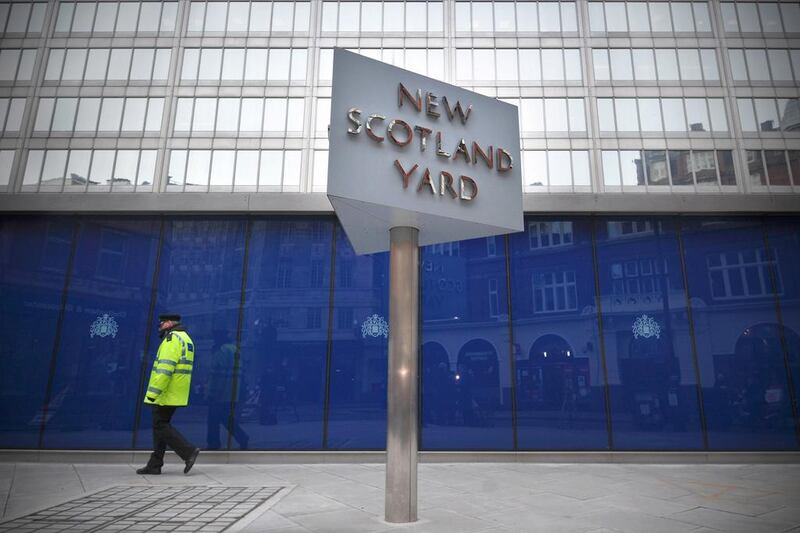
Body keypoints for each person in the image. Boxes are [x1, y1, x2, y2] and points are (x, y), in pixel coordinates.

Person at [136, 314, 200, 475]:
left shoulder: (172, 339)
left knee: (160, 425)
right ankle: (154, 464)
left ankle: (188, 452)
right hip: (176, 392)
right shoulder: (186, 339)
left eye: (162, 323)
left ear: (170, 323)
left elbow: (165, 369)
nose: (159, 325)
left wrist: (152, 394)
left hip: (166, 392)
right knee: (160, 426)